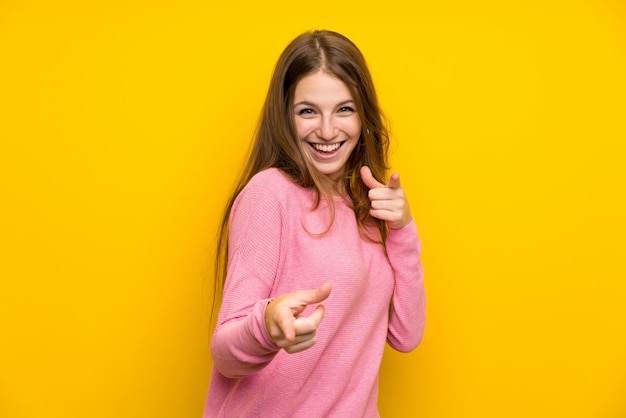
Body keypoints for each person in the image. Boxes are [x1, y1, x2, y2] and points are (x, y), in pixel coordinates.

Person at [204, 30, 426, 418]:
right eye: (308, 111)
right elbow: (225, 353)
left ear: (364, 115)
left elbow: (406, 336)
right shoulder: (270, 194)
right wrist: (267, 328)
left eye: (344, 109)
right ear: (285, 116)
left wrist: (403, 230)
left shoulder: (365, 208)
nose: (327, 131)